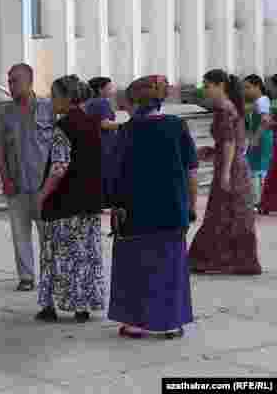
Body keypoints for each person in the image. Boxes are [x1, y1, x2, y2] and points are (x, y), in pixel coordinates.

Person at [105, 75, 197, 340]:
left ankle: (137, 323)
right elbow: (191, 171)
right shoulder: (177, 126)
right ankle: (170, 323)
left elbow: (114, 174)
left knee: (135, 266)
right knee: (170, 266)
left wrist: (114, 205)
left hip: (135, 211)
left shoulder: (126, 131)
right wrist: (190, 206)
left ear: (134, 102)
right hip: (171, 209)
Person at [35, 76, 105, 323]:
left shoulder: (62, 127)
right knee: (85, 255)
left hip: (64, 203)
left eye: (54, 96)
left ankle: (50, 306)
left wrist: (43, 195)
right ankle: (82, 307)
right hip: (89, 202)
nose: (51, 101)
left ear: (66, 98)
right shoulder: (91, 124)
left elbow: (59, 166)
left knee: (57, 255)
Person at [188, 70, 262, 275]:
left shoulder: (223, 108)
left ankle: (208, 259)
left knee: (220, 213)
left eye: (208, 85)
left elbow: (229, 141)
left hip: (231, 168)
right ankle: (239, 260)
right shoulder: (230, 107)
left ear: (220, 85)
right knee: (232, 213)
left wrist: (225, 172)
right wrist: (212, 152)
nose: (205, 90)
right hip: (235, 164)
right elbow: (232, 142)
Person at [0, 63, 55, 291]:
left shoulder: (48, 109)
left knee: (48, 234)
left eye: (15, 80)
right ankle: (26, 277)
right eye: (9, 81)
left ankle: (50, 275)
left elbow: (60, 147)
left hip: (44, 185)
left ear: (29, 81)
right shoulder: (3, 113)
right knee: (20, 234)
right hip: (17, 185)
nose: (11, 85)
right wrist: (5, 180)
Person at [243, 75, 272, 211]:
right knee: (257, 169)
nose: (245, 91)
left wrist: (255, 137)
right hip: (260, 138)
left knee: (258, 170)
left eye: (248, 87)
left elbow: (265, 120)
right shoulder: (261, 100)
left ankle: (259, 201)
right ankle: (259, 200)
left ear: (257, 86)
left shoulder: (261, 101)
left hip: (261, 139)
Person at [85, 77, 122, 158]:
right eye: (109, 88)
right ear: (100, 90)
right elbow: (105, 124)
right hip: (105, 145)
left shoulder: (88, 102)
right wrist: (126, 126)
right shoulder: (101, 102)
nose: (113, 90)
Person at [259, 75, 277, 215]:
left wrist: (268, 123)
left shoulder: (274, 103)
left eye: (270, 85)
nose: (269, 88)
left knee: (273, 173)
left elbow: (270, 124)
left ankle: (266, 204)